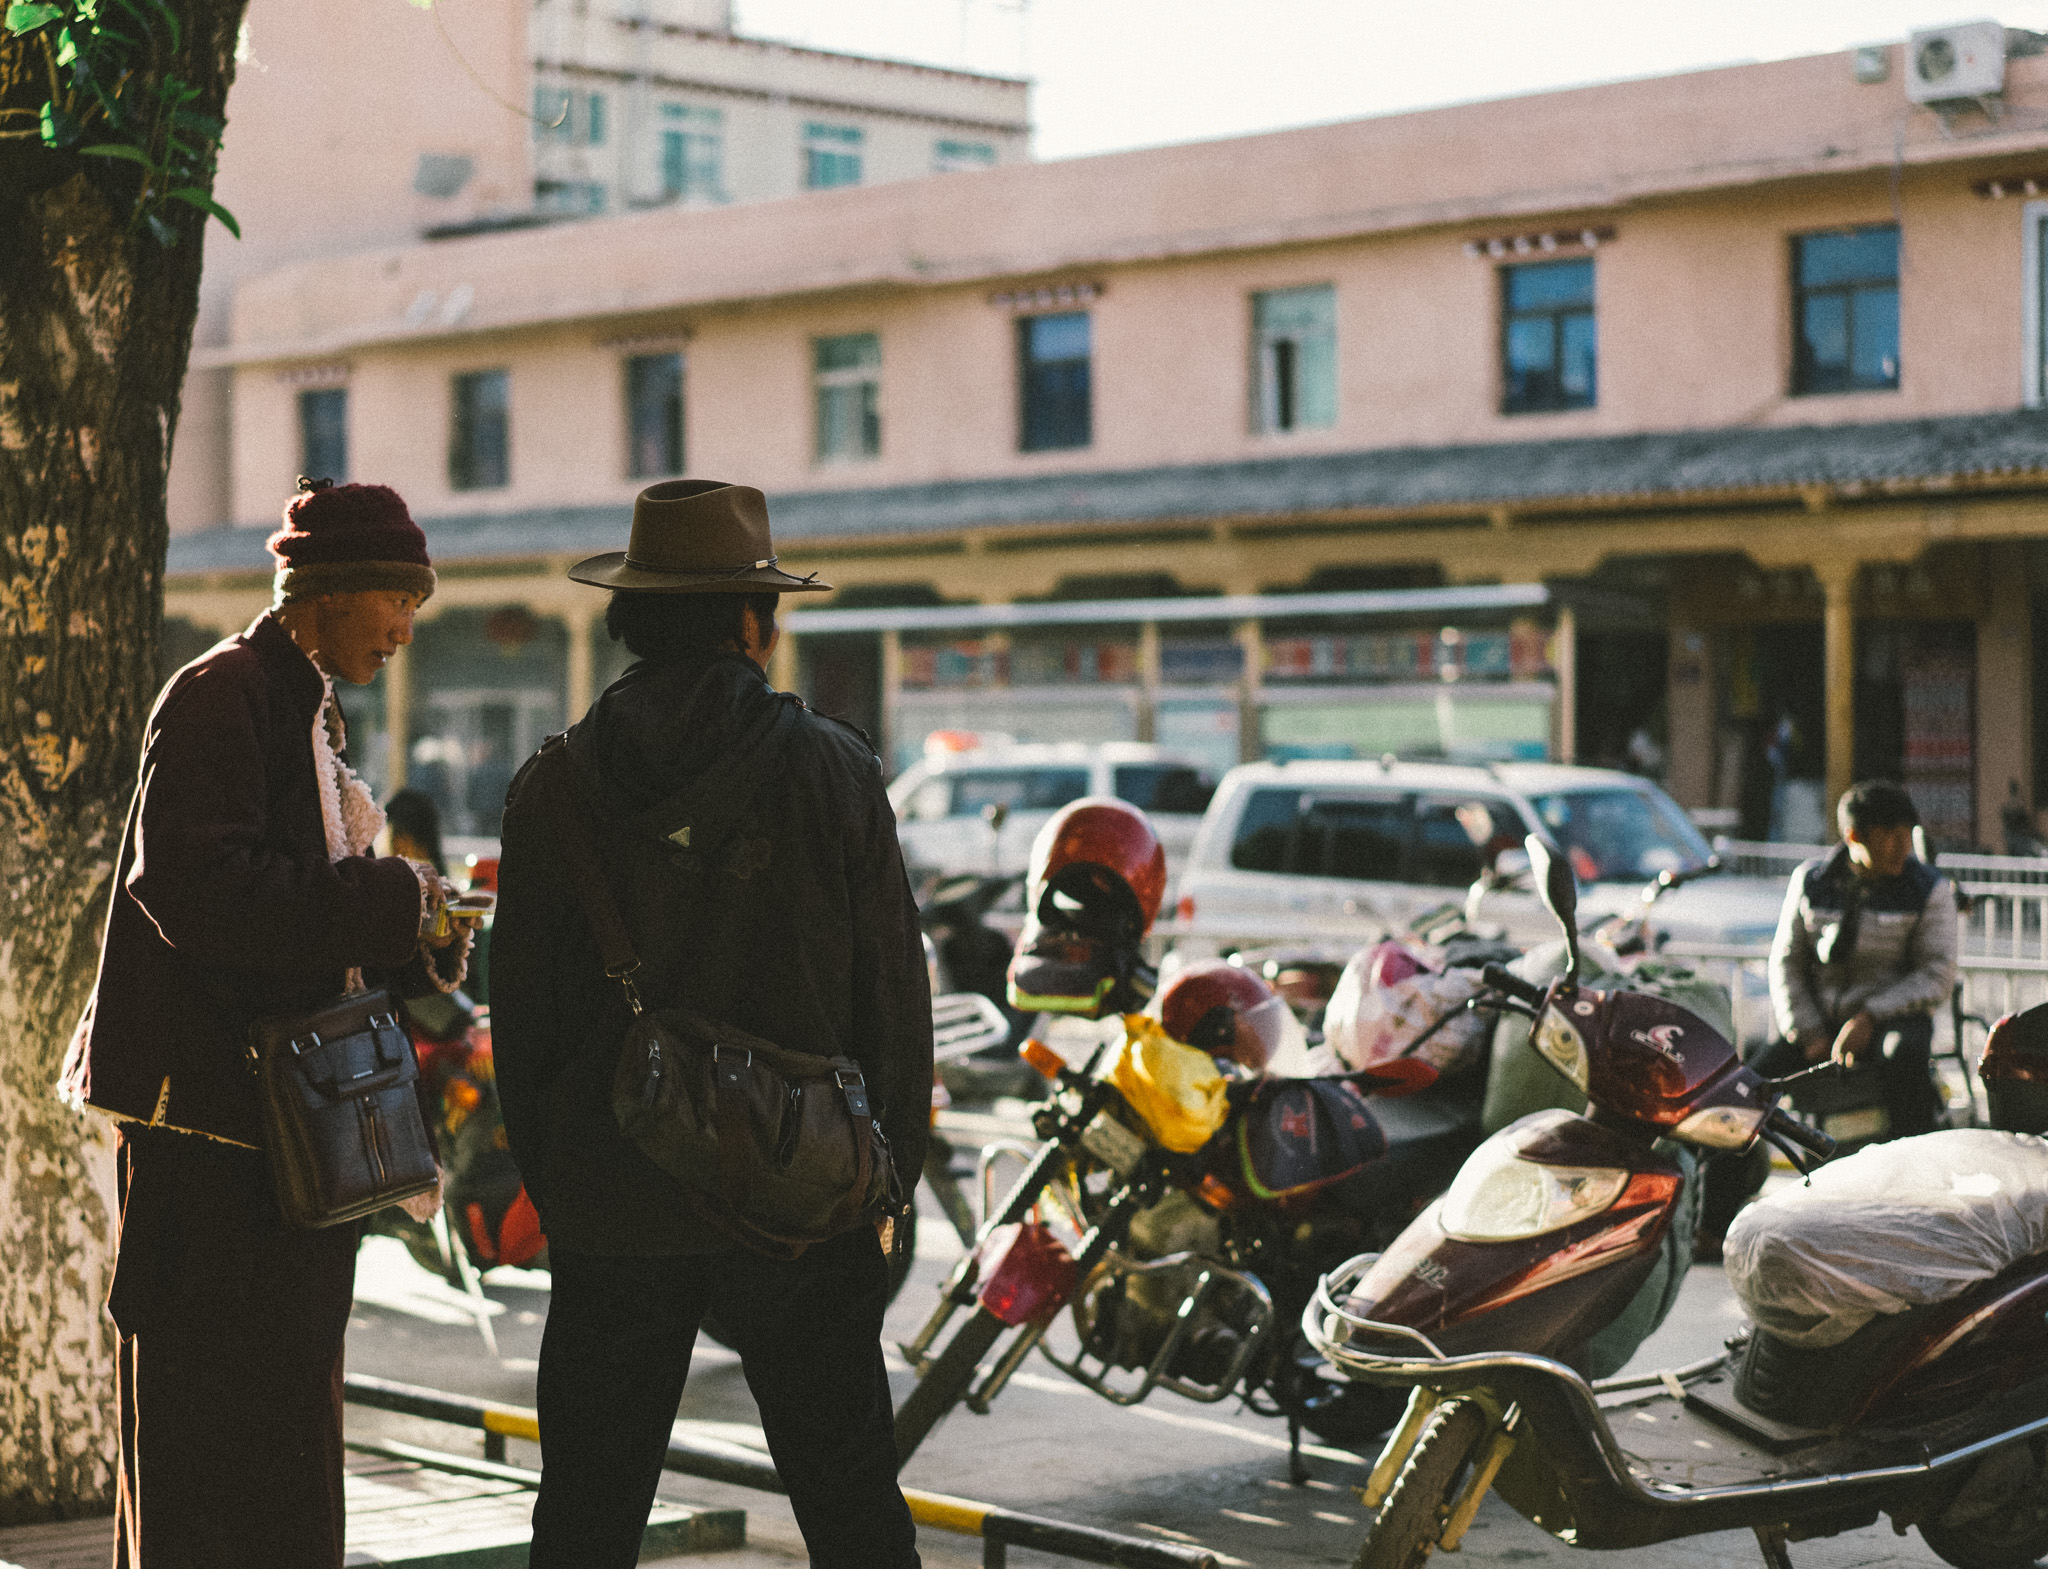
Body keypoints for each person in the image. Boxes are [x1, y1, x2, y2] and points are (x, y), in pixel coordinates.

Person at [491, 479, 932, 1569]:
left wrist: (572, 1190)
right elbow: (894, 998)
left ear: (632, 617)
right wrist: (880, 1182)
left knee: (585, 1518)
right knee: (855, 1516)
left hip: (611, 1195)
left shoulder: (550, 788)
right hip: (801, 1197)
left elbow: (521, 1028)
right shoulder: (831, 769)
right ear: (749, 621)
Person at [59, 478, 476, 1568]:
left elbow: (301, 912)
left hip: (280, 1143)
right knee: (213, 1445)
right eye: (395, 598)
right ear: (325, 593)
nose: (402, 626)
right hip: (210, 1138)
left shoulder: (298, 707)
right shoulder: (221, 694)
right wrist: (393, 898)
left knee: (283, 1435)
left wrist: (418, 925)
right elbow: (197, 891)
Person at [1759, 778, 1959, 1137]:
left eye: (1908, 836)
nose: (1904, 849)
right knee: (1744, 1091)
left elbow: (1936, 974)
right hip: (1819, 1022)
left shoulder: (1929, 889)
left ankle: (1917, 1167)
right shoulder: (1810, 882)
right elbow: (1787, 962)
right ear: (1855, 837)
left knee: (1905, 1060)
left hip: (1893, 1019)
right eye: (1892, 837)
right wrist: (1809, 1032)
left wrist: (1870, 1016)